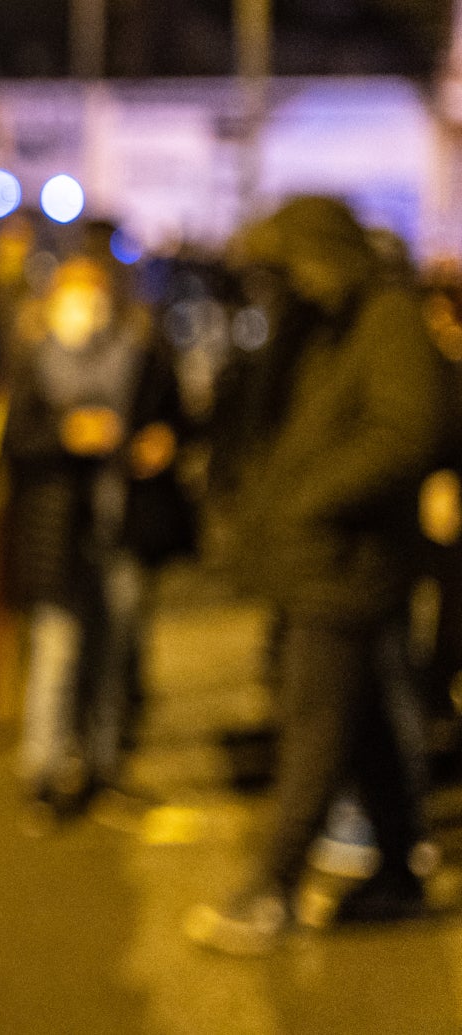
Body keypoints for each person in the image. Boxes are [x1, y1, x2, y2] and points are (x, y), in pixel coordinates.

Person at [186, 196, 449, 954]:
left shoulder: (386, 317)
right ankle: (398, 872)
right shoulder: (321, 324)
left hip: (348, 562)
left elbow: (406, 430)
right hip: (322, 562)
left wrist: (310, 499)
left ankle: (271, 888)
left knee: (314, 727)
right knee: (362, 725)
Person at [0, 255, 177, 824]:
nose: (85, 308)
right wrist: (65, 435)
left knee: (112, 650)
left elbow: (173, 417)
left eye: (95, 295)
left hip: (120, 524)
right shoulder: (33, 361)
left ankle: (103, 763)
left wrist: (158, 443)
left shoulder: (139, 357)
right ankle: (43, 771)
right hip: (56, 529)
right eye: (74, 295)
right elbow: (16, 442)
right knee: (58, 649)